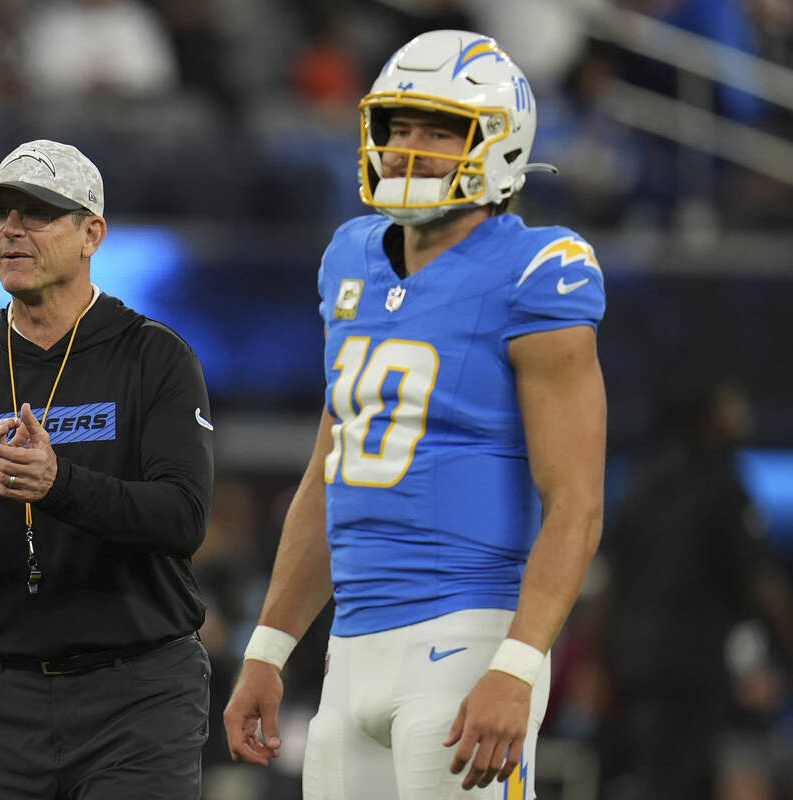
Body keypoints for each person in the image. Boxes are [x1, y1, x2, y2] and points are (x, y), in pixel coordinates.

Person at [223, 30, 608, 798]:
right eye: (398, 128)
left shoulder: (537, 270)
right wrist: (270, 644)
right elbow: (331, 472)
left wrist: (518, 665)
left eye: (439, 130)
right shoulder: (350, 255)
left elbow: (577, 501)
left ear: (498, 145)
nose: (407, 148)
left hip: (466, 641)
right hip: (350, 651)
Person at [0, 139, 215, 799]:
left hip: (137, 695)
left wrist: (61, 486)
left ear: (93, 234)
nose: (12, 230)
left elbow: (183, 518)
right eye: (1, 214)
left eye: (38, 214)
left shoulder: (156, 358)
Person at [597, 374, 793, 800]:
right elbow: (759, 578)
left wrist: (597, 659)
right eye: (731, 402)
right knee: (681, 779)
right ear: (709, 414)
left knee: (656, 769)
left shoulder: (641, 481)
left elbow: (613, 578)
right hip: (693, 659)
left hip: (637, 659)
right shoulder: (720, 479)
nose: (741, 412)